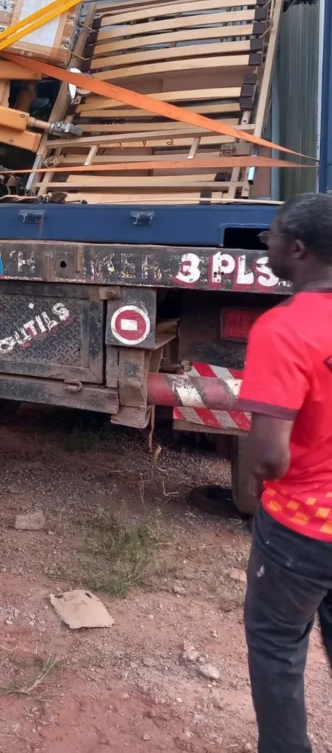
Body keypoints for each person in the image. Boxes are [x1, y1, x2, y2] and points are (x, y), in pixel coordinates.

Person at [237, 192, 332, 752]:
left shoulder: (283, 329)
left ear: (296, 249)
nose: (265, 244)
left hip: (304, 530)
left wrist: (257, 482)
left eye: (269, 236)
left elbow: (271, 456)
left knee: (276, 647)